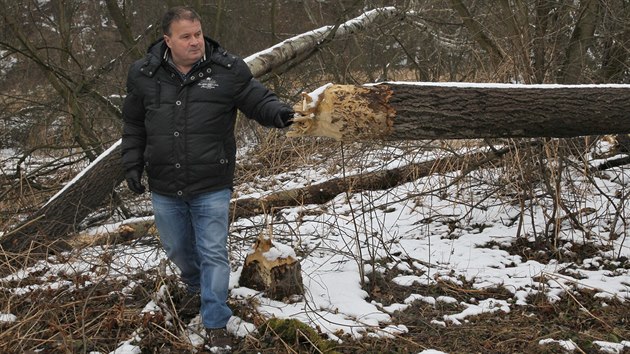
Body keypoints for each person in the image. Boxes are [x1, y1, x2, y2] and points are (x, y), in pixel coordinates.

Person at [120, 6, 294, 349]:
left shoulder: (227, 70)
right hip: (165, 182)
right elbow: (133, 124)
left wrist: (282, 114)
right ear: (167, 40)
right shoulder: (143, 74)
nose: (195, 41)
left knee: (213, 251)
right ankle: (197, 285)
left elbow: (258, 99)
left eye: (197, 34)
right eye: (185, 36)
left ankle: (215, 318)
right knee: (178, 248)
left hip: (212, 181)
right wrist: (132, 164)